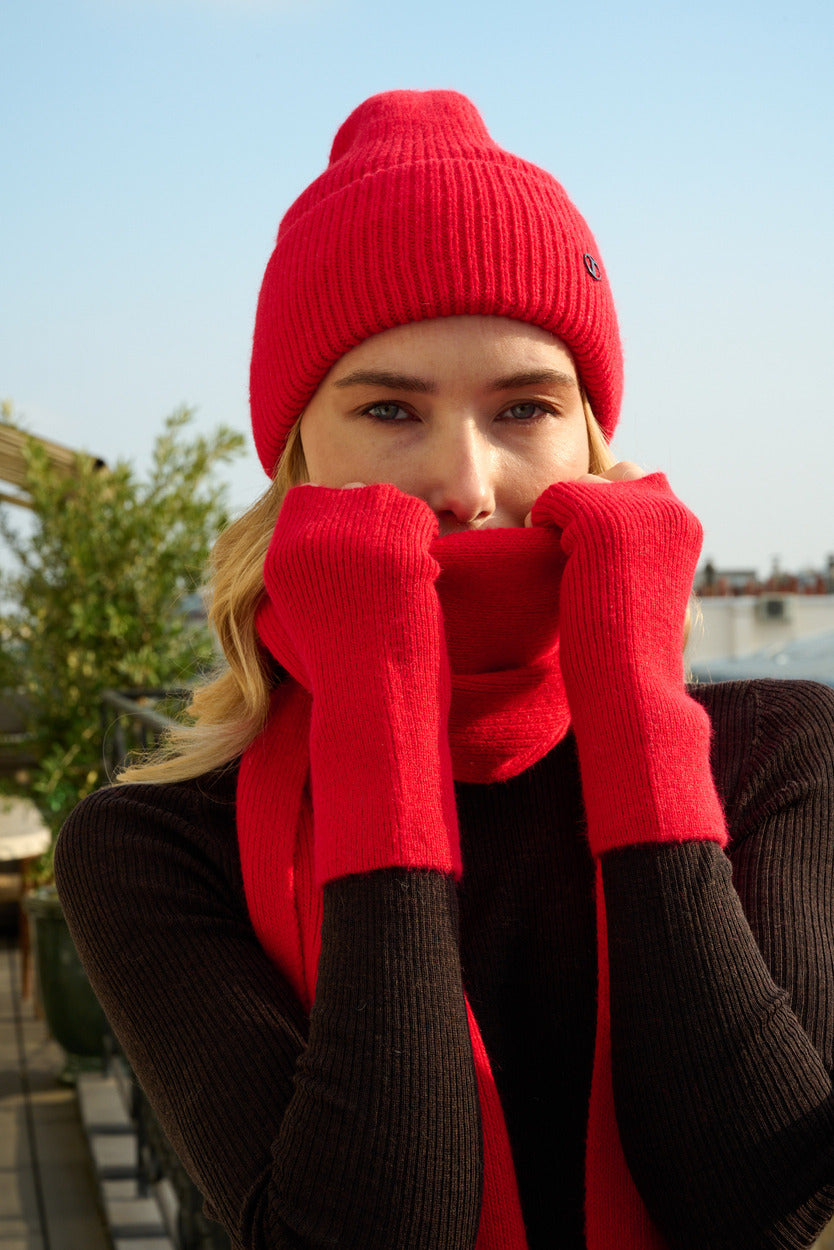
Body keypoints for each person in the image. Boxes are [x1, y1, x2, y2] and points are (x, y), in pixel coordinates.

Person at [54, 90, 834, 1250]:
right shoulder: (155, 841)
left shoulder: (779, 752)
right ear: (301, 456)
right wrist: (379, 718)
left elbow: (762, 1201)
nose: (464, 481)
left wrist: (634, 704)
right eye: (388, 408)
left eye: (525, 404)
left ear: (589, 440)